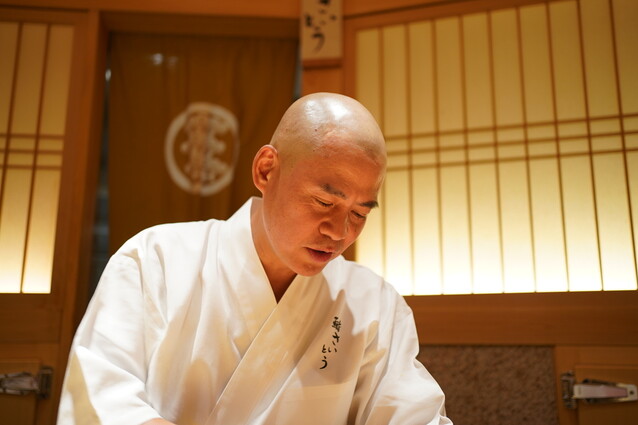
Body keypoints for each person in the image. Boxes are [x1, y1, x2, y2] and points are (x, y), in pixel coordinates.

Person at [58, 92, 451, 425]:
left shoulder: (374, 305)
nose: (339, 232)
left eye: (360, 213)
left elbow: (413, 415)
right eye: (324, 202)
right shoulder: (154, 261)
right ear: (266, 170)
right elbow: (100, 400)